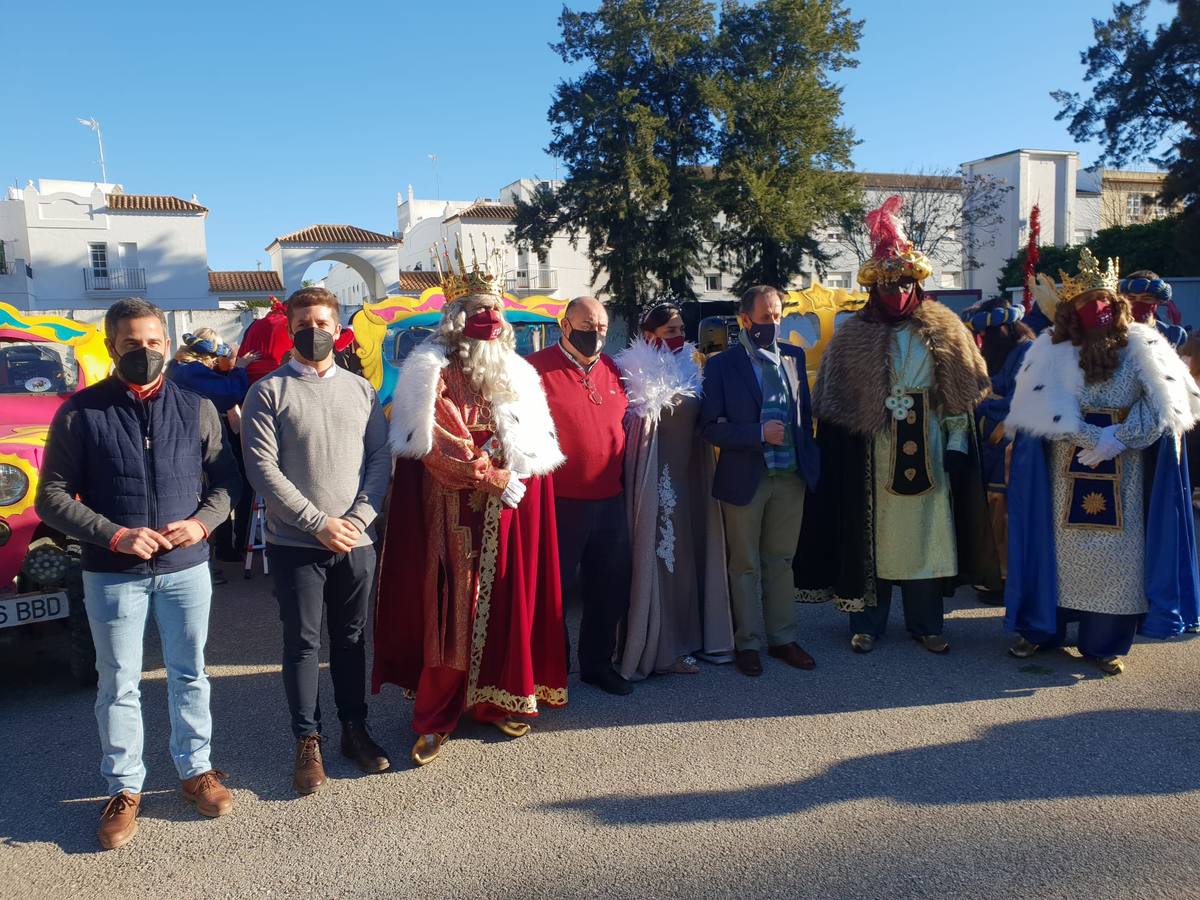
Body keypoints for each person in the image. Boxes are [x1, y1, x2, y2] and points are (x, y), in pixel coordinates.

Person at [35, 298, 240, 850]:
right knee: (119, 682)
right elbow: (51, 497)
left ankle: (196, 771)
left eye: (153, 342)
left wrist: (201, 525)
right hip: (112, 572)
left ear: (167, 345)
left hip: (185, 569)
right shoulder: (80, 413)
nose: (144, 352)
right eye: (131, 344)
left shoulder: (196, 408)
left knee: (189, 672)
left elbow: (226, 487)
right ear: (111, 348)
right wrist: (114, 534)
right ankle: (125, 788)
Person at [374, 250, 567, 766]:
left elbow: (529, 432)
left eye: (496, 310)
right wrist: (494, 476)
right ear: (456, 318)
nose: (491, 319)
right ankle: (436, 716)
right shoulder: (430, 369)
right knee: (452, 607)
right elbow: (437, 437)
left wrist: (518, 471)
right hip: (454, 503)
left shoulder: (517, 371)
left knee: (503, 601)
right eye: (479, 309)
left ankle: (492, 699)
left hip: (507, 508)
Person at [794, 196, 998, 655]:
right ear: (873, 288)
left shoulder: (947, 328)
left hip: (930, 448)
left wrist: (959, 441)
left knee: (929, 536)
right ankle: (868, 622)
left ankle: (926, 624)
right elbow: (834, 403)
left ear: (917, 283)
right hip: (873, 453)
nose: (896, 292)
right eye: (887, 285)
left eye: (904, 283)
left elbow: (960, 398)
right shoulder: (851, 335)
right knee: (874, 538)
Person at [1005, 250, 1200, 673]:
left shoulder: (1147, 346)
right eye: (1087, 306)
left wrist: (1119, 437)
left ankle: (1104, 643)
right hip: (1062, 471)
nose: (1099, 313)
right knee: (1056, 551)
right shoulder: (1049, 349)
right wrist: (1092, 436)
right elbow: (1041, 405)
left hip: (1126, 471)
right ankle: (1045, 631)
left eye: (1105, 304)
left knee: (1119, 557)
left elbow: (1170, 404)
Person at [241, 287, 392, 794]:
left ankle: (355, 728)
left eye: (324, 322)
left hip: (357, 540)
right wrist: (317, 523)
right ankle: (308, 740)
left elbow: (379, 460)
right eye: (305, 322)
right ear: (291, 327)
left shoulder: (361, 390)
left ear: (337, 326)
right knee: (303, 643)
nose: (315, 330)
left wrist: (358, 518)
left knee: (350, 640)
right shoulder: (267, 391)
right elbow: (263, 469)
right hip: (296, 543)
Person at [700, 284, 819, 677]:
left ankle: (783, 638)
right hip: (745, 477)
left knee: (781, 561)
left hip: (789, 476)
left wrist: (809, 459)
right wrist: (755, 434)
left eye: (779, 315)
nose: (775, 322)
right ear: (745, 319)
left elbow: (803, 415)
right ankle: (747, 643)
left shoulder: (794, 358)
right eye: (767, 316)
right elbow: (710, 428)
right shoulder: (721, 366)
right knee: (745, 564)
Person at [615, 301, 734, 679]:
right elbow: (633, 431)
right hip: (659, 481)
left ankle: (692, 636)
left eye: (682, 328)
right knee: (664, 560)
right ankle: (663, 647)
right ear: (649, 335)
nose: (679, 336)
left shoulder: (693, 365)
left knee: (691, 557)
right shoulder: (632, 371)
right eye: (671, 331)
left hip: (692, 475)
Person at [528, 297, 633, 695]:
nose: (595, 335)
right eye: (587, 327)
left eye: (602, 329)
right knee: (553, 591)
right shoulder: (535, 370)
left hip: (610, 498)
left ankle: (597, 664)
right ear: (565, 325)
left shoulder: (613, 370)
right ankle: (553, 670)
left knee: (609, 584)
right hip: (558, 501)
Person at [963, 298, 1036, 604]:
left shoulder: (1027, 351)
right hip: (988, 441)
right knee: (988, 507)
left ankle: (1005, 577)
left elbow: (1019, 398)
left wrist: (984, 400)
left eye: (985, 336)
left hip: (1011, 442)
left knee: (1004, 509)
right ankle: (989, 571)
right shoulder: (998, 353)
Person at [167, 328, 259, 566]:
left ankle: (224, 548)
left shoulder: (178, 367)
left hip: (185, 439)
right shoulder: (192, 372)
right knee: (217, 491)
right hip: (199, 440)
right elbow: (229, 393)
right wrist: (239, 368)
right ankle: (218, 552)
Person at [1121, 269, 1186, 349]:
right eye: (1131, 298)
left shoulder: (1174, 336)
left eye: (1146, 298)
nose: (1138, 303)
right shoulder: (1113, 333)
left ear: (1158, 301)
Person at [237, 296, 293, 384]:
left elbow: (241, 354)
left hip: (250, 377)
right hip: (279, 377)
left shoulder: (255, 324)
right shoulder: (290, 324)